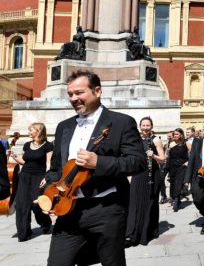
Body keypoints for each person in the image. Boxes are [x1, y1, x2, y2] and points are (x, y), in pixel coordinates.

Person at [42, 69, 147, 266]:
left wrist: (99, 163)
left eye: (79, 92)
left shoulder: (121, 122)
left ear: (97, 91)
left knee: (111, 262)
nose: (74, 98)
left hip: (106, 208)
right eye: (70, 94)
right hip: (68, 211)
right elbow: (56, 168)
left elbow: (138, 161)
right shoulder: (64, 127)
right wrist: (49, 192)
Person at [125, 117, 165, 246]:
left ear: (151, 126)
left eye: (148, 125)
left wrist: (153, 155)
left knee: (149, 203)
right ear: (140, 127)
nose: (146, 128)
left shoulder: (156, 140)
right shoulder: (136, 140)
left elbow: (162, 159)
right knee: (134, 203)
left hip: (152, 175)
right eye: (143, 125)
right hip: (138, 174)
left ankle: (146, 233)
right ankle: (132, 233)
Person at [11, 123, 52, 241]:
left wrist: (47, 177)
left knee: (37, 204)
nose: (29, 132)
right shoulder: (27, 145)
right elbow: (24, 161)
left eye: (31, 130)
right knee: (22, 205)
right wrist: (13, 155)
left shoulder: (48, 146)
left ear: (38, 131)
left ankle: (45, 223)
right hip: (24, 176)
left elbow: (48, 163)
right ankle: (23, 234)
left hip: (39, 177)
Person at [167, 128, 189, 212]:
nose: (175, 135)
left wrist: (188, 162)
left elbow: (193, 153)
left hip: (182, 165)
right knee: (173, 182)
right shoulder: (171, 143)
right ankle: (176, 198)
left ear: (181, 135)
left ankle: (176, 200)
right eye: (174, 134)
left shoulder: (186, 143)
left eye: (177, 134)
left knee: (179, 183)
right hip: (172, 165)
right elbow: (169, 156)